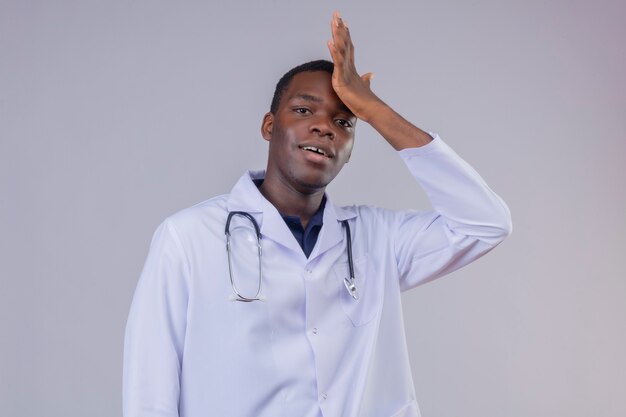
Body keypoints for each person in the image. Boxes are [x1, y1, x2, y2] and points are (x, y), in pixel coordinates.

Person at [123, 11, 512, 417]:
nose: (325, 127)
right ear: (269, 126)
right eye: (304, 111)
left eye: (343, 121)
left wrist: (375, 110)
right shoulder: (187, 238)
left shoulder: (377, 239)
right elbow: (150, 392)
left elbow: (487, 223)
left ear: (350, 147)